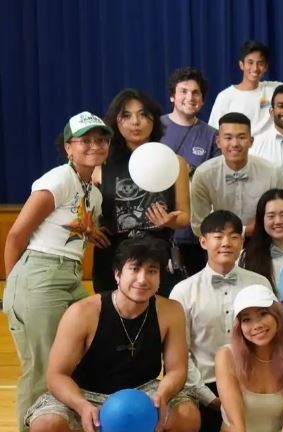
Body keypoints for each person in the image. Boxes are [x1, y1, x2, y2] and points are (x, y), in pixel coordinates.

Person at [3, 112, 111, 431]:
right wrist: (14, 288)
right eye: (85, 140)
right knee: (41, 370)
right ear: (69, 147)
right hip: (40, 274)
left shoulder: (93, 191)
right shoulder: (58, 180)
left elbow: (70, 220)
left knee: (80, 357)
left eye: (101, 139)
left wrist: (89, 231)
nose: (95, 145)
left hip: (71, 277)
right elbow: (15, 236)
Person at [25, 238, 200, 432]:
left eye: (152, 271)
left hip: (143, 391)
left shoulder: (171, 311)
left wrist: (163, 395)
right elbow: (56, 376)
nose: (142, 279)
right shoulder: (82, 312)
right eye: (134, 269)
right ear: (117, 274)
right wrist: (81, 405)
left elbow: (177, 369)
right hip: (85, 393)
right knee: (46, 424)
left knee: (187, 415)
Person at [170, 210, 274, 432]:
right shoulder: (183, 291)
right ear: (203, 241)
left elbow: (273, 338)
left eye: (234, 236)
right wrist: (210, 399)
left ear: (242, 241)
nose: (226, 243)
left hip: (255, 385)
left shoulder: (260, 283)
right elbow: (180, 353)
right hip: (203, 387)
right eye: (218, 236)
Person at [93, 89, 191, 297]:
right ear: (115, 122)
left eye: (143, 114)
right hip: (112, 258)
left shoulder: (175, 162)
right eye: (126, 116)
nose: (135, 122)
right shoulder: (102, 163)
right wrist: (90, 229)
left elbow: (184, 216)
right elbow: (80, 207)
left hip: (156, 258)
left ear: (154, 119)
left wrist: (169, 221)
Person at [215, 285, 283, 432]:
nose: (257, 325)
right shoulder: (226, 357)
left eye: (263, 314)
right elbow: (237, 426)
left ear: (277, 315)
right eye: (246, 319)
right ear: (239, 326)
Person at [161, 67, 222, 278]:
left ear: (203, 100)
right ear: (172, 96)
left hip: (194, 233)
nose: (190, 97)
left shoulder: (212, 135)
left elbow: (214, 180)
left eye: (196, 93)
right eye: (184, 91)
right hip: (158, 230)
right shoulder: (155, 128)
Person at [190, 112, 283, 237]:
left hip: (262, 238)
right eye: (228, 138)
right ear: (218, 142)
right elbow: (199, 225)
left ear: (251, 141)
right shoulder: (204, 173)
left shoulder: (272, 172)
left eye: (241, 137)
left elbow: (282, 217)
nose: (235, 144)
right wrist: (241, 232)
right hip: (220, 240)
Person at [209, 40, 283, 137]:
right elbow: (213, 134)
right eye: (250, 62)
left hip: (271, 154)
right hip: (241, 157)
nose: (255, 68)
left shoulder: (274, 89)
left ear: (266, 67)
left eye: (260, 63)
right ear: (241, 65)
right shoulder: (225, 97)